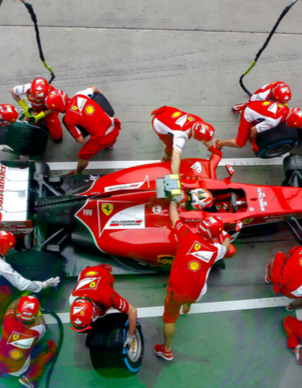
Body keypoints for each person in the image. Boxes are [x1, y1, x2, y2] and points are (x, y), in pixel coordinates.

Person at [155, 200, 232, 361]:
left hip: (176, 292)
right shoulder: (216, 250)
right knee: (196, 290)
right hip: (197, 292)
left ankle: (167, 350)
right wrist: (226, 234)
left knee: (169, 319)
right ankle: (187, 308)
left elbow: (174, 216)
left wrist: (173, 202)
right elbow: (225, 245)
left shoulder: (185, 235)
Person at [0, 295, 56, 388]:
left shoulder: (8, 321)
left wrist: (23, 297)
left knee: (6, 342)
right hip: (19, 369)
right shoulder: (37, 331)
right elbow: (42, 324)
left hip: (1, 361)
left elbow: (11, 305)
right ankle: (29, 378)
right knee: (51, 346)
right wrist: (38, 311)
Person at [45, 88, 120, 174]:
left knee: (83, 157)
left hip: (101, 138)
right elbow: (94, 89)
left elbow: (80, 140)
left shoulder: (68, 119)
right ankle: (111, 145)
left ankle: (77, 172)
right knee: (111, 136)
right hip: (114, 126)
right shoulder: (79, 94)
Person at [69, 264, 138, 348]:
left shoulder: (108, 296)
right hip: (85, 273)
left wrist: (131, 336)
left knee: (105, 309)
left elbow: (132, 311)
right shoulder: (73, 298)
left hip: (103, 273)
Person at [151, 106, 220, 175]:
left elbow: (203, 134)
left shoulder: (198, 121)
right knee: (170, 147)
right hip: (158, 122)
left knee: (173, 133)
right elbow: (176, 157)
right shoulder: (180, 135)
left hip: (169, 111)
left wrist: (213, 150)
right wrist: (175, 178)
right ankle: (165, 159)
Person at [217, 101, 302, 153]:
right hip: (247, 116)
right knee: (240, 144)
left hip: (254, 104)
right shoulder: (273, 122)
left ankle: (241, 107)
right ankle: (219, 143)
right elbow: (253, 129)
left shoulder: (284, 107)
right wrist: (253, 141)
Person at [10, 77, 63, 143]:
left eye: (40, 100)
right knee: (29, 135)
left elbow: (53, 109)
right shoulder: (27, 87)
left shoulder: (53, 93)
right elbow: (12, 91)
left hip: (48, 112)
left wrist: (39, 116)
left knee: (57, 138)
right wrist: (24, 107)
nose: (37, 101)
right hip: (33, 110)